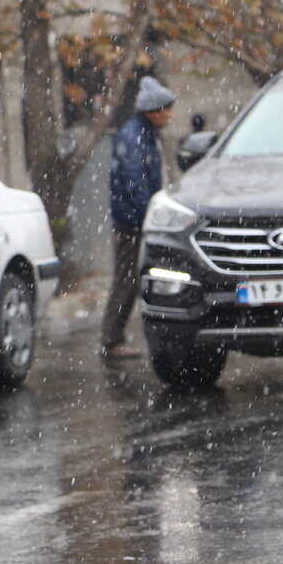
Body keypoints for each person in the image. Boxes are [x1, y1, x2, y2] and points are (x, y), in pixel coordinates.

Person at [102, 75, 174, 359]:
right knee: (126, 283)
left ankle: (114, 338)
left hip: (134, 222)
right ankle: (111, 340)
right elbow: (135, 185)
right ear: (153, 110)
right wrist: (150, 218)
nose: (169, 115)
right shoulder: (134, 137)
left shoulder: (141, 134)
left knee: (130, 281)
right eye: (166, 108)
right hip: (133, 225)